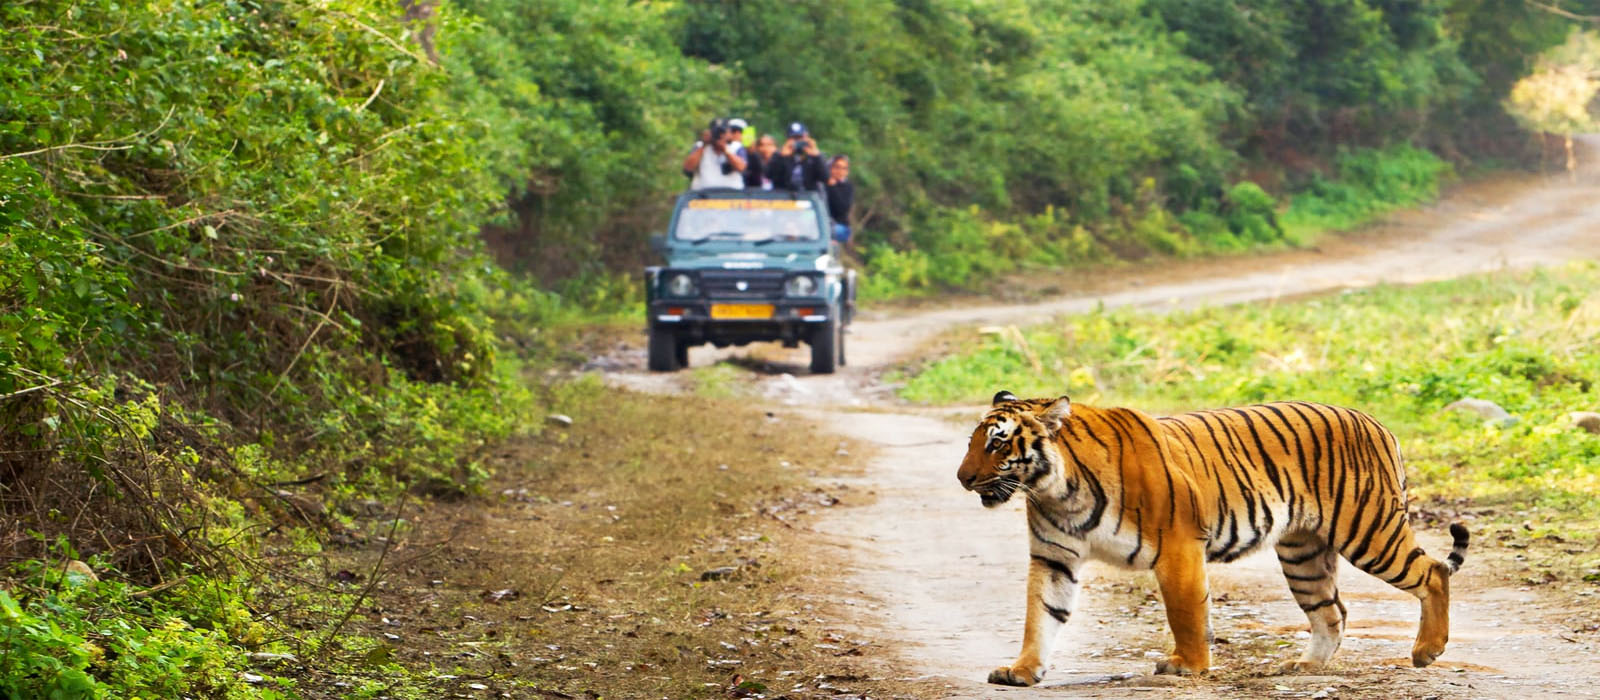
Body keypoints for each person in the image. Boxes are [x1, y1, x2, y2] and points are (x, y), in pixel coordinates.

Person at [682, 118, 746, 190]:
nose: (720, 135)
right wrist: (704, 145)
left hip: (732, 196)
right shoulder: (700, 146)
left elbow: (741, 168)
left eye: (723, 132)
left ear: (729, 133)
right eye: (716, 132)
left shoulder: (735, 147)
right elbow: (687, 169)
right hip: (703, 196)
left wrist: (725, 150)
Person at [768, 122, 826, 191]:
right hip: (784, 198)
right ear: (787, 139)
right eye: (794, 138)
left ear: (807, 138)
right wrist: (782, 157)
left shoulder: (814, 156)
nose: (797, 141)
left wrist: (817, 157)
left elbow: (825, 178)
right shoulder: (779, 155)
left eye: (800, 137)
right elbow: (769, 175)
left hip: (809, 197)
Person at [824, 155, 853, 245]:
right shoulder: (822, 184)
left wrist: (832, 187)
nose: (840, 171)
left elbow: (842, 209)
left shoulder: (848, 186)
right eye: (837, 167)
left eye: (844, 168)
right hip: (820, 223)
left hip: (839, 226)